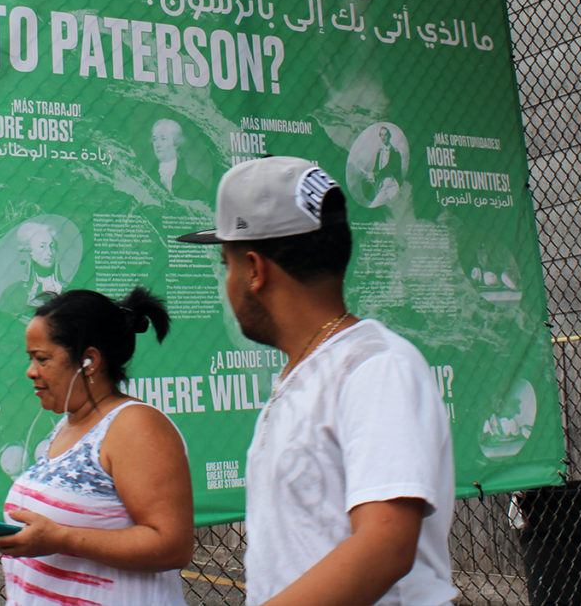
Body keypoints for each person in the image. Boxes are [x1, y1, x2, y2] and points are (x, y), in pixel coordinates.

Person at [176, 156, 456, 606]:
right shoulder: (311, 370)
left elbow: (385, 545)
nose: (227, 281)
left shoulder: (376, 368)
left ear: (253, 269)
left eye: (225, 263)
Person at [0, 288, 194, 605]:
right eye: (31, 359)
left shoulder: (136, 427)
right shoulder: (68, 427)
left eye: (43, 359)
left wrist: (62, 538)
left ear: (89, 360)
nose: (31, 371)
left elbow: (172, 545)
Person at [0, 221, 65, 314]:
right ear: (30, 251)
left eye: (52, 246)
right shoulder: (11, 294)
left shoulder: (69, 292)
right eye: (42, 246)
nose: (49, 252)